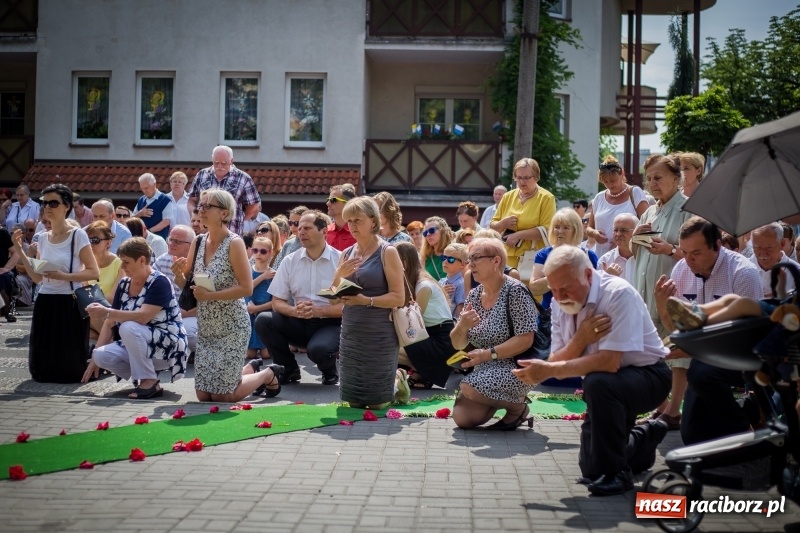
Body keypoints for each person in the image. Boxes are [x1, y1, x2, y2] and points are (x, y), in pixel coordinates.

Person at [513, 245, 671, 496]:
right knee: (590, 469)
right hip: (608, 383)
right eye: (553, 289)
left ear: (588, 275)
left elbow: (609, 362)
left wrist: (551, 369)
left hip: (649, 377)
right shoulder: (557, 301)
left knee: (598, 383)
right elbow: (557, 358)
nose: (559, 295)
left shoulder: (618, 294)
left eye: (565, 288)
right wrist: (580, 339)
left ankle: (618, 474)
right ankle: (643, 438)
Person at [650, 217, 762, 436]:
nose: (688, 260)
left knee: (701, 374)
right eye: (684, 252)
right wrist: (663, 308)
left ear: (717, 246)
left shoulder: (743, 272)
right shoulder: (681, 270)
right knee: (691, 434)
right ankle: (740, 422)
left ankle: (745, 431)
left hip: (744, 353)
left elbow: (746, 336)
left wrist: (681, 346)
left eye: (696, 253)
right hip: (704, 355)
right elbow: (677, 331)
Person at [176, 188, 275, 403]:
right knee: (204, 396)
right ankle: (249, 369)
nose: (200, 210)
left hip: (232, 327)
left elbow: (246, 288)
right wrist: (178, 276)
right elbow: (189, 285)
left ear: (224, 213)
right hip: (207, 328)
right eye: (200, 205)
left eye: (207, 206)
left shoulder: (235, 243)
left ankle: (268, 374)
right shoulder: (198, 241)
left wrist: (210, 296)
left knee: (223, 396)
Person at [12, 184, 100, 383]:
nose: (47, 207)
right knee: (44, 367)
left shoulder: (78, 235)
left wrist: (63, 276)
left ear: (66, 206)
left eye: (53, 203)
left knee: (69, 367)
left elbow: (94, 272)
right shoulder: (42, 237)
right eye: (44, 203)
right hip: (46, 300)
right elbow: (37, 278)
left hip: (70, 301)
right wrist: (20, 250)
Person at [81, 237, 189, 399]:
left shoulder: (159, 281)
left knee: (128, 326)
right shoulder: (124, 284)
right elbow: (109, 322)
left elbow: (143, 317)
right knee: (100, 355)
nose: (123, 267)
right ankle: (147, 375)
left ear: (142, 260)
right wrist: (94, 359)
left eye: (126, 262)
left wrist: (107, 312)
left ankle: (149, 381)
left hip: (168, 345)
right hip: (139, 343)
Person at [450, 238, 538, 430]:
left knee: (468, 387)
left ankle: (518, 409)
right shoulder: (474, 294)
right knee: (462, 419)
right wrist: (462, 326)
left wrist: (487, 354)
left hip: (517, 368)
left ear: (496, 261)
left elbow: (526, 339)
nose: (470, 264)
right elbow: (457, 344)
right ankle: (493, 399)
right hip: (484, 368)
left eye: (476, 258)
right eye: (469, 259)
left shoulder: (516, 291)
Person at [333, 196, 405, 408]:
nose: (352, 225)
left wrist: (367, 300)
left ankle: (398, 382)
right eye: (349, 221)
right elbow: (335, 293)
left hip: (379, 329)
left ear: (373, 221)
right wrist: (338, 275)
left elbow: (398, 297)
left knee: (377, 403)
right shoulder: (346, 253)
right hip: (352, 327)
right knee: (352, 401)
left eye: (358, 220)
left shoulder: (388, 251)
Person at [256, 211, 343, 385]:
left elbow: (348, 307)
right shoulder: (289, 261)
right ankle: (288, 369)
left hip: (330, 322)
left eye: (308, 228)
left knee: (319, 349)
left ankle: (329, 370)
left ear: (324, 231)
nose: (301, 232)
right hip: (299, 320)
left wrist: (319, 310)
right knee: (263, 320)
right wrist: (294, 311)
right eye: (299, 227)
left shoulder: (340, 261)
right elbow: (277, 302)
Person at [631, 153, 692, 338]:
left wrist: (670, 249)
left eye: (657, 178)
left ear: (676, 178)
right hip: (643, 302)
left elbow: (701, 257)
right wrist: (634, 238)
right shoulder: (649, 212)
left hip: (672, 303)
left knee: (672, 363)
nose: (652, 183)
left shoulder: (689, 210)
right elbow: (636, 254)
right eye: (648, 178)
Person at [394, 242, 457, 391]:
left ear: (404, 262)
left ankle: (424, 371)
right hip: (430, 335)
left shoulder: (423, 286)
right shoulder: (416, 282)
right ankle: (419, 371)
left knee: (388, 347)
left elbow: (413, 320)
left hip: (441, 340)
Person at [490, 158, 556, 268]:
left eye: (526, 178)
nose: (522, 181)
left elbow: (547, 230)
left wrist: (518, 235)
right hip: (506, 257)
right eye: (518, 177)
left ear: (536, 177)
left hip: (533, 258)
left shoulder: (546, 198)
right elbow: (492, 226)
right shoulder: (507, 196)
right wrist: (503, 224)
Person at [530, 208, 598, 310]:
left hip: (581, 313)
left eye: (566, 228)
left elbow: (597, 288)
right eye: (556, 227)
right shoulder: (543, 255)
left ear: (575, 230)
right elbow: (534, 288)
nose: (560, 231)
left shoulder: (588, 256)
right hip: (550, 316)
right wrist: (559, 275)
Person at [187, 145, 260, 236]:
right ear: (212, 159)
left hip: (232, 233)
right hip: (204, 234)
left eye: (224, 163)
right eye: (216, 162)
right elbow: (191, 200)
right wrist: (196, 215)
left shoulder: (243, 178)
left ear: (232, 161)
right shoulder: (201, 175)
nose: (219, 166)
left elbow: (253, 206)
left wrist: (236, 218)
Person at [585, 156, 649, 257]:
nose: (610, 184)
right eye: (605, 181)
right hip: (602, 256)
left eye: (613, 180)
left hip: (628, 256)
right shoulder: (599, 198)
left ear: (622, 173)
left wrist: (624, 239)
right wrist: (595, 234)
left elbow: (648, 224)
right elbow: (589, 227)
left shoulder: (635, 193)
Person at [155, 224, 198, 354]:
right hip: (169, 312)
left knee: (186, 332)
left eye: (177, 241)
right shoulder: (162, 261)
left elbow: (207, 303)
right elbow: (152, 290)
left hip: (193, 314)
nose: (171, 244)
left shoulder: (200, 264)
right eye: (170, 239)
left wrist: (179, 313)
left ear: (191, 245)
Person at [85, 221, 124, 342]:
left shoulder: (120, 264)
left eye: (95, 240)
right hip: (91, 313)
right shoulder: (84, 264)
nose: (91, 244)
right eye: (88, 240)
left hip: (111, 311)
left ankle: (112, 342)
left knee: (93, 311)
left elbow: (112, 297)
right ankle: (112, 341)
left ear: (108, 242)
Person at [748, 222, 800, 298]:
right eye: (757, 247)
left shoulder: (796, 272)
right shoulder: (741, 269)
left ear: (782, 244)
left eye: (769, 248)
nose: (763, 253)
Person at [246, 235, 274, 361]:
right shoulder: (247, 270)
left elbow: (275, 302)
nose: (258, 254)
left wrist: (257, 308)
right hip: (249, 316)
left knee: (266, 354)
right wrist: (263, 276)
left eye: (263, 251)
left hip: (265, 315)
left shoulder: (274, 274)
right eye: (255, 250)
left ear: (270, 253)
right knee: (250, 355)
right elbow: (246, 288)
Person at [597, 213, 638, 285]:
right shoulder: (604, 261)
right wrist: (608, 278)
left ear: (636, 231)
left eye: (624, 230)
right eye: (615, 230)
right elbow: (599, 293)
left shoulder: (647, 258)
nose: (618, 234)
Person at [134, 173, 173, 240]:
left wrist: (148, 232)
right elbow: (131, 218)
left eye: (146, 188)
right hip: (141, 239)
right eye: (142, 188)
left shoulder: (165, 200)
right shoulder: (141, 200)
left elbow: (166, 221)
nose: (144, 191)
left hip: (159, 239)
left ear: (154, 184)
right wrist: (140, 213)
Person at [273, 205, 308, 270]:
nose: (292, 226)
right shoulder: (288, 244)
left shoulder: (312, 244)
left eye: (296, 223)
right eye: (290, 223)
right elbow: (276, 267)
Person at [420, 216, 455, 281]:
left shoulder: (455, 253)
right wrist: (441, 287)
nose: (428, 234)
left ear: (442, 231)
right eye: (425, 233)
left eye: (431, 230)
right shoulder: (425, 258)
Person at [325, 183, 357, 251]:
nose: (328, 203)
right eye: (328, 200)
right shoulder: (325, 231)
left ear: (347, 203)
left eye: (333, 200)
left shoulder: (358, 230)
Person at [440, 242, 467, 320]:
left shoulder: (461, 283)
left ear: (462, 265)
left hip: (451, 325)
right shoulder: (441, 281)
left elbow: (460, 309)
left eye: (450, 259)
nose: (445, 261)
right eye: (444, 258)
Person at [0, 226, 20, 323]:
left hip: (2, 269)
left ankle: (7, 309)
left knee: (4, 278)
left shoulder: (2, 232)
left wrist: (6, 268)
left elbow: (16, 253)